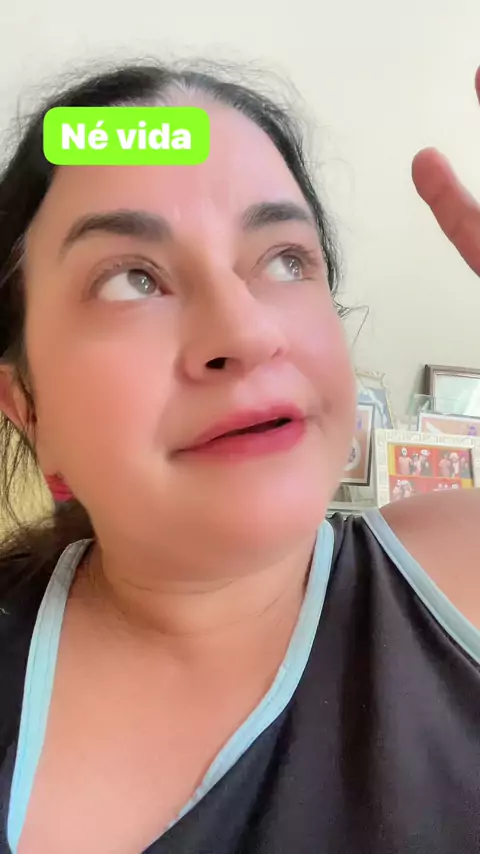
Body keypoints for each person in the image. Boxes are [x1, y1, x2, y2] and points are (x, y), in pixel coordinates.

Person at [1, 60, 480, 854]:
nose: (248, 332)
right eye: (132, 279)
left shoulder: (460, 578)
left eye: (286, 259)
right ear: (26, 404)